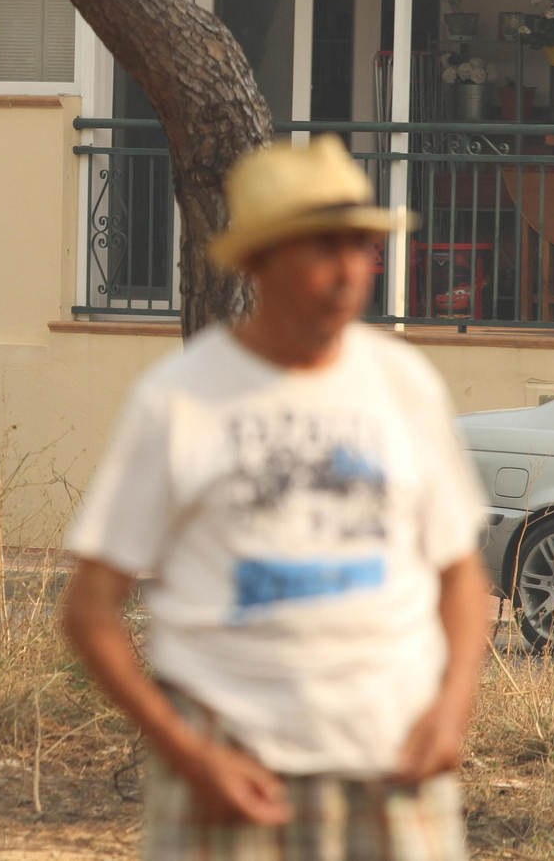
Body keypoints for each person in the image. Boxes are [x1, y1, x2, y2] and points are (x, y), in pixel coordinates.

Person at [61, 136, 492, 861]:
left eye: (360, 245)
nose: (349, 269)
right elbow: (90, 611)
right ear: (258, 262)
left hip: (392, 751)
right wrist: (189, 754)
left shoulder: (404, 385)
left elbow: (461, 576)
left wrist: (451, 715)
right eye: (321, 247)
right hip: (231, 758)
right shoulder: (179, 399)